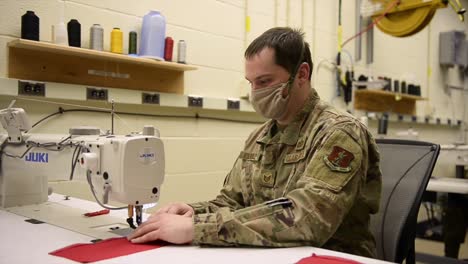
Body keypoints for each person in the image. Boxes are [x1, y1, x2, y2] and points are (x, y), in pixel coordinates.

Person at [128, 27, 382, 258]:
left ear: (302, 74)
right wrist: (193, 212)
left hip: (332, 257)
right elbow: (233, 202)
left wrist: (197, 229)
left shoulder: (340, 133)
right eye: (252, 83)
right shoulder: (261, 136)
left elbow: (307, 218)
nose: (256, 92)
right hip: (273, 255)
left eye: (265, 82)